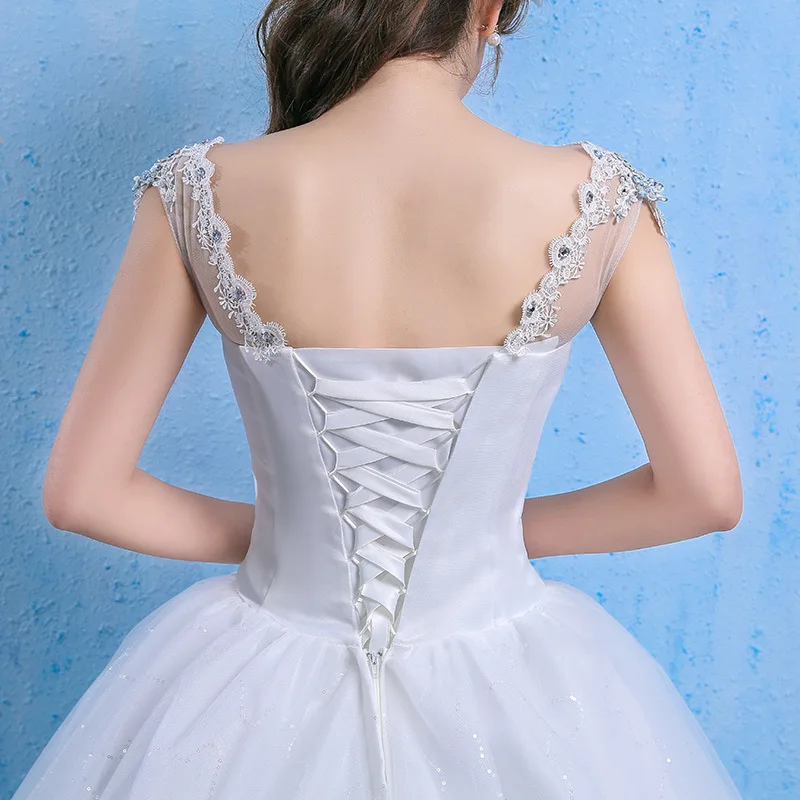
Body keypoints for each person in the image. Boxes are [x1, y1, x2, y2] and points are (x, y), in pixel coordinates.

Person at [13, 0, 744, 797]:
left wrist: (295, 541)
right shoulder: (600, 198)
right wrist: (482, 534)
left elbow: (83, 495)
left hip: (258, 683)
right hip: (509, 676)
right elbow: (703, 495)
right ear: (488, 12)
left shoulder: (194, 190)